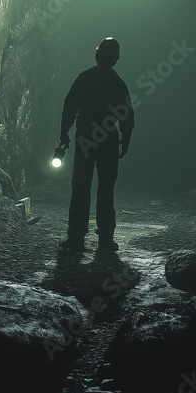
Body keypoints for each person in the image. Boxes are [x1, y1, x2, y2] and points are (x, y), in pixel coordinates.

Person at [58, 37, 134, 252]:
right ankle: (106, 240)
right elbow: (126, 114)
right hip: (108, 141)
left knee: (80, 188)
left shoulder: (85, 78)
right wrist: (125, 138)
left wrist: (64, 132)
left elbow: (70, 105)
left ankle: (76, 238)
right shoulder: (118, 83)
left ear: (97, 54)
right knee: (106, 190)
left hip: (86, 139)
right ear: (115, 58)